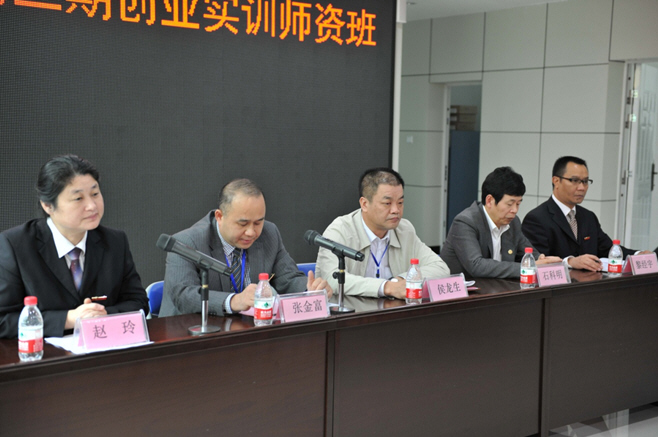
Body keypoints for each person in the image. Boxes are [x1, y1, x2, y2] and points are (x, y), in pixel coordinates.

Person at [0, 155, 149, 339]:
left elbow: (138, 302)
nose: (92, 206)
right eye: (78, 198)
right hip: (43, 352)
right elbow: (3, 320)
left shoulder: (114, 241)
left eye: (95, 194)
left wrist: (102, 315)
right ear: (48, 205)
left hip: (103, 347)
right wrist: (68, 319)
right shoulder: (16, 245)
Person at [159, 179, 331, 317]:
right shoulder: (186, 243)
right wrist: (234, 301)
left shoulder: (269, 233)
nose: (251, 232)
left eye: (258, 222)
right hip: (190, 333)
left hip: (246, 330)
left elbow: (288, 278)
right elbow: (184, 295)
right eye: (243, 224)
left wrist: (310, 289)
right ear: (219, 216)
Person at [315, 168, 449, 299]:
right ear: (364, 204)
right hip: (352, 311)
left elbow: (441, 268)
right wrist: (386, 287)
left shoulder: (404, 230)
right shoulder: (339, 231)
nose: (396, 210)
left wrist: (399, 280)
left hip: (392, 310)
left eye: (400, 202)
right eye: (387, 203)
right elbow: (332, 280)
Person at [522, 156, 652, 271]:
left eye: (585, 181)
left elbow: (607, 249)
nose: (581, 188)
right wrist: (570, 262)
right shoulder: (536, 219)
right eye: (574, 180)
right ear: (556, 181)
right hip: (558, 288)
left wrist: (638, 255)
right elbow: (538, 262)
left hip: (590, 285)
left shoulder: (588, 217)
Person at [441, 167, 561, 279]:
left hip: (497, 288)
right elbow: (476, 265)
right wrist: (528, 268)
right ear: (489, 201)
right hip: (464, 291)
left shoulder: (513, 222)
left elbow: (528, 253)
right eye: (510, 204)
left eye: (518, 204)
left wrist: (542, 259)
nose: (515, 210)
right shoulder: (465, 222)